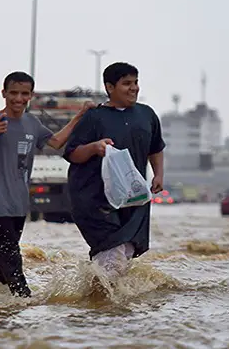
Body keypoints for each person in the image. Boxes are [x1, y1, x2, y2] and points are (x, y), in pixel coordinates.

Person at [0, 71, 95, 297]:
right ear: (4, 93)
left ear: (31, 96)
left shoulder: (31, 123)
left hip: (18, 203)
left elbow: (56, 142)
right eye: (13, 93)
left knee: (0, 264)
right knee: (12, 257)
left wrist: (80, 115)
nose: (18, 98)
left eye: (24, 93)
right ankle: (24, 303)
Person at [62, 62, 166, 284]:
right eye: (126, 83)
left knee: (126, 249)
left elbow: (156, 148)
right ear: (110, 87)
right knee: (112, 248)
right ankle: (103, 306)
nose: (134, 88)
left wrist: (158, 175)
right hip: (95, 199)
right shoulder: (94, 117)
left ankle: (102, 304)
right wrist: (94, 147)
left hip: (133, 197)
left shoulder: (146, 115)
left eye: (136, 82)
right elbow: (72, 153)